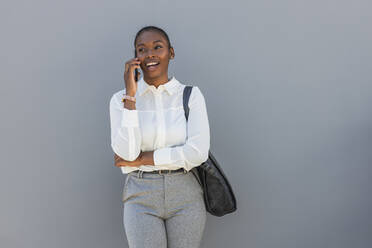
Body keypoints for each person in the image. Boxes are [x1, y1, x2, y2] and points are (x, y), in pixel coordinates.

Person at [109, 25, 210, 248]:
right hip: (140, 194)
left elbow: (197, 153)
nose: (150, 54)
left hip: (185, 194)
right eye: (142, 49)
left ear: (171, 53)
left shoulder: (191, 96)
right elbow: (126, 153)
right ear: (136, 58)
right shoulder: (120, 100)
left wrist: (142, 159)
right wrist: (131, 98)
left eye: (158, 47)